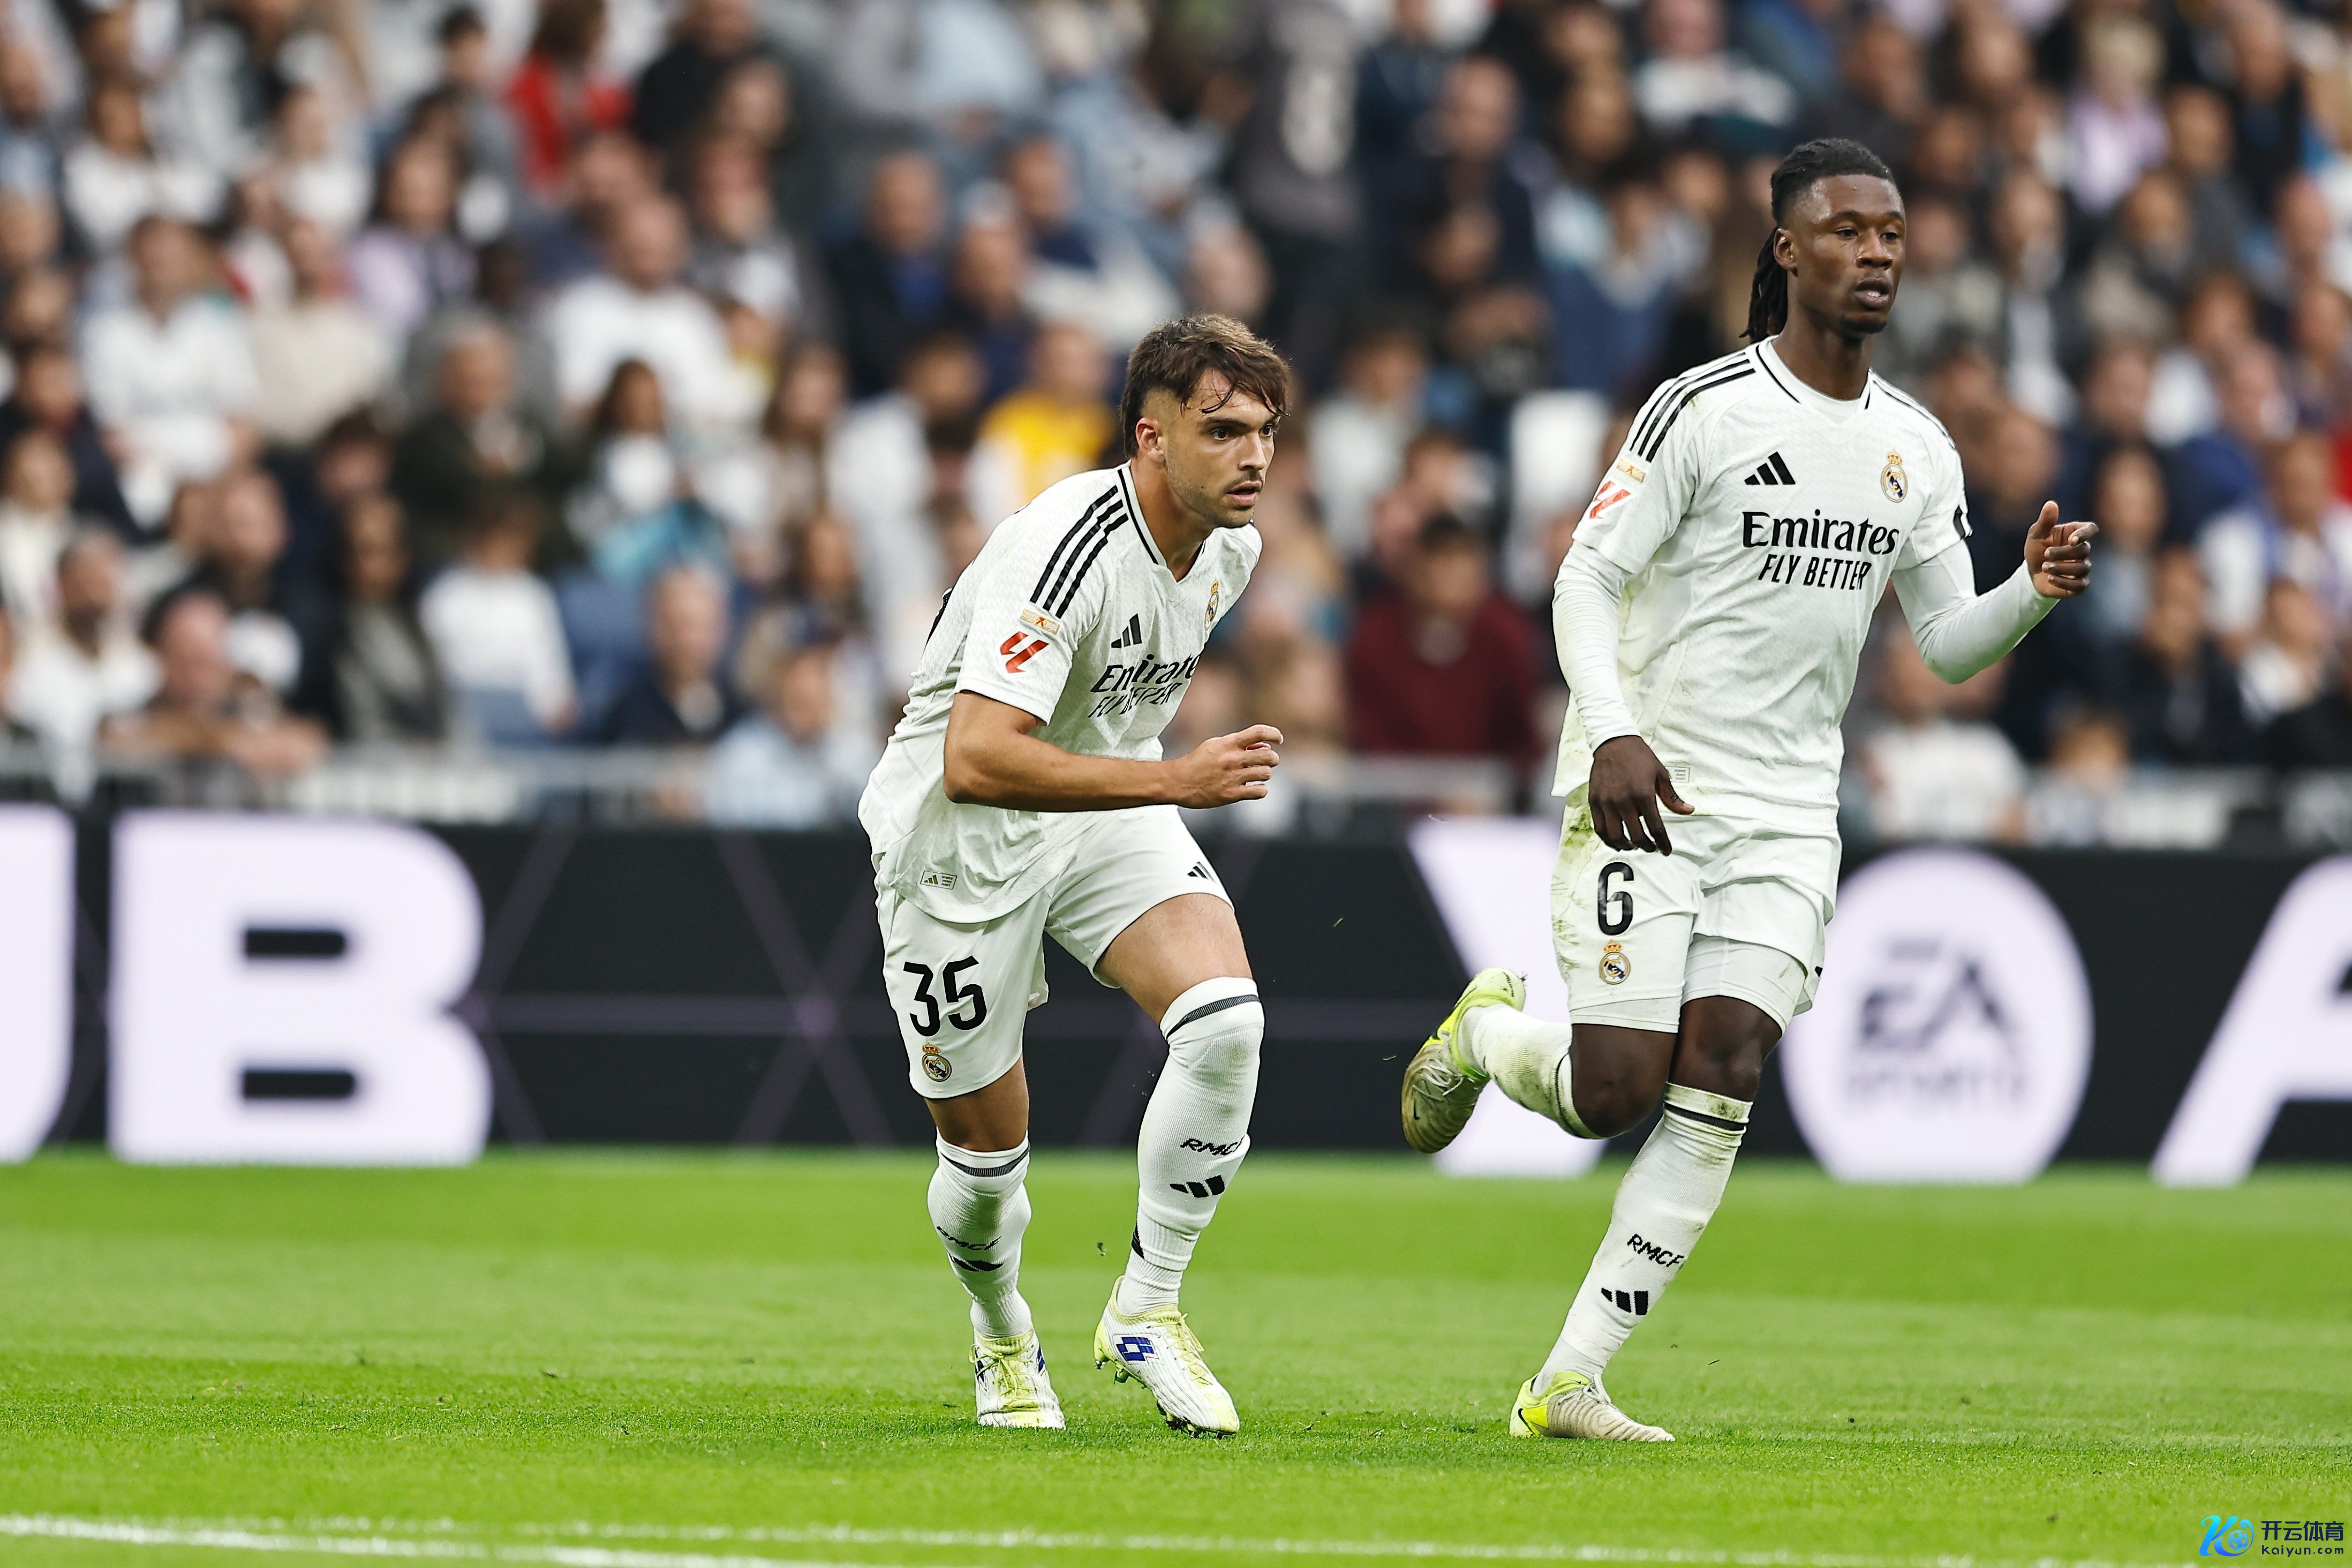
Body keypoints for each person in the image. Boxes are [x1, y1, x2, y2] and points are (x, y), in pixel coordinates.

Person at [1399, 140, 2096, 1442]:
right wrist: (1611, 733)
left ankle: (1569, 1381)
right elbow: (1586, 579)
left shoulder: (1915, 445)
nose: (1875, 254)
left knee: (1723, 1068)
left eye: (1891, 234)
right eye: (1846, 231)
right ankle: (1487, 1036)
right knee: (1615, 1090)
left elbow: (1947, 646)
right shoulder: (1703, 408)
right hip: (1649, 785)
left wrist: (2031, 593)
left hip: (1789, 813)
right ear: (1787, 250)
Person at [856, 315, 1288, 1436]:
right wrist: (1177, 782)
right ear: (1151, 437)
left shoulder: (1232, 550)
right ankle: (1001, 1330)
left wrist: (1156, 784)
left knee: (1226, 1023)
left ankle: (1148, 1307)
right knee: (985, 1167)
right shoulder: (1067, 546)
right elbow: (975, 757)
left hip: (1103, 802)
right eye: (1223, 431)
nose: (1253, 456)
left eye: (1266, 432)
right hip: (958, 844)